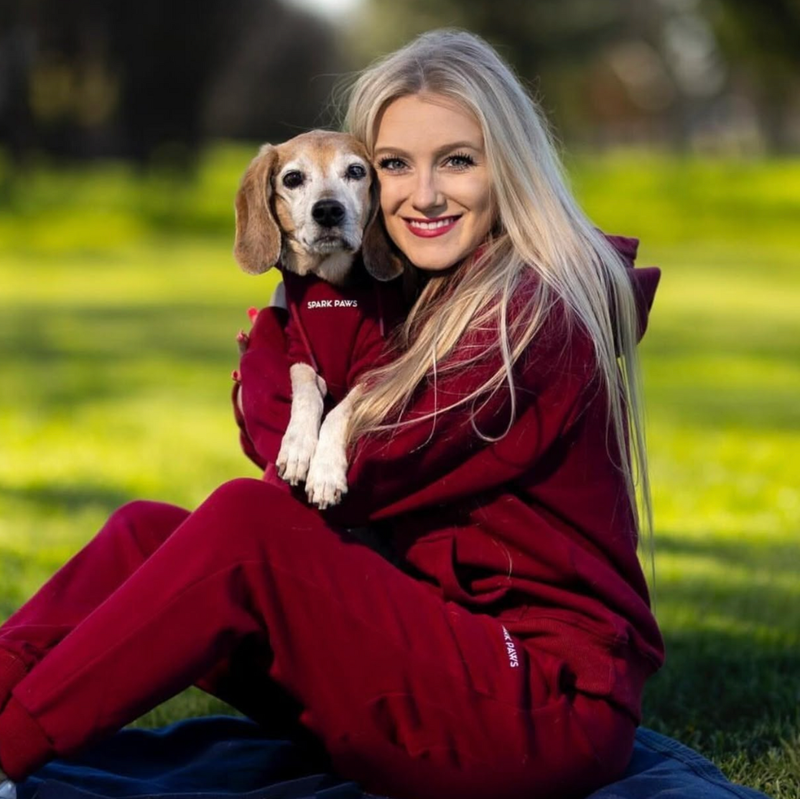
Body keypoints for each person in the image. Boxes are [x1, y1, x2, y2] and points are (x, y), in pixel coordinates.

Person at [0, 29, 664, 799]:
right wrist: (299, 309)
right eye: (393, 165)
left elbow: (345, 475)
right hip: (445, 646)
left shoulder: (536, 316)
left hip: (542, 704)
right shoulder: (422, 292)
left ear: (508, 167)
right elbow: (280, 437)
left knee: (245, 529)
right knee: (150, 532)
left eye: (458, 159)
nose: (424, 193)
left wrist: (276, 334)